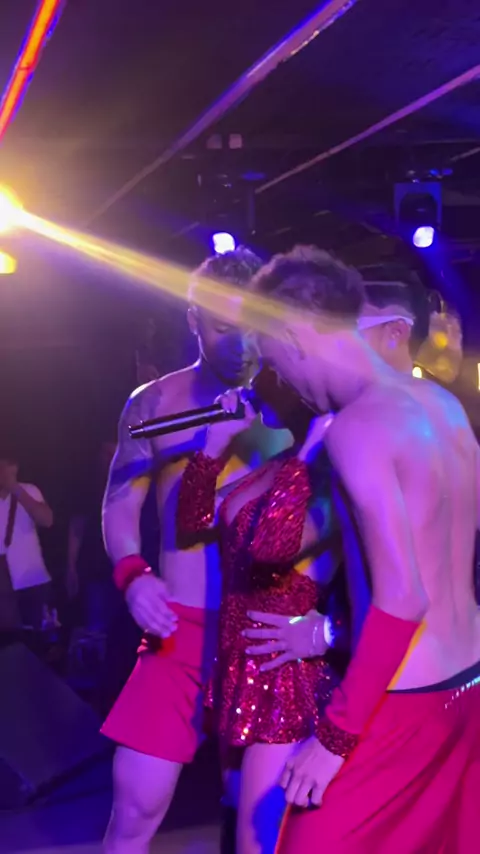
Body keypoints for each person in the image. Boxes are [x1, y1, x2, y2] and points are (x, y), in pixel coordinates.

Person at [244, 246, 480, 853]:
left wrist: (335, 738)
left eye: (274, 360)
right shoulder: (441, 405)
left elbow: (404, 597)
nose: (283, 382)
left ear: (293, 336)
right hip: (469, 686)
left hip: (405, 703)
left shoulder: (358, 426)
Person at [101, 248, 287, 854]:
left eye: (252, 326)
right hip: (179, 629)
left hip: (262, 634)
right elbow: (119, 504)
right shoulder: (153, 403)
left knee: (262, 823)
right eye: (223, 327)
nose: (241, 344)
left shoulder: (298, 397)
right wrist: (133, 575)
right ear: (193, 321)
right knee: (135, 809)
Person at [176, 367, 344, 854]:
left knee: (258, 841)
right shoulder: (281, 466)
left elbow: (272, 546)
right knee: (238, 824)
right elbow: (193, 521)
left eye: (272, 368)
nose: (256, 379)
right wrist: (214, 446)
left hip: (281, 679)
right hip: (239, 670)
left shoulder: (329, 478)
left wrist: (309, 457)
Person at [0, 451, 54, 639]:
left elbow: (47, 520)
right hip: (3, 590)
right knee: (10, 646)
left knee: (41, 643)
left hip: (34, 582)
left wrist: (15, 489)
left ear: (14, 468)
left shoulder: (29, 490)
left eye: (4, 467)